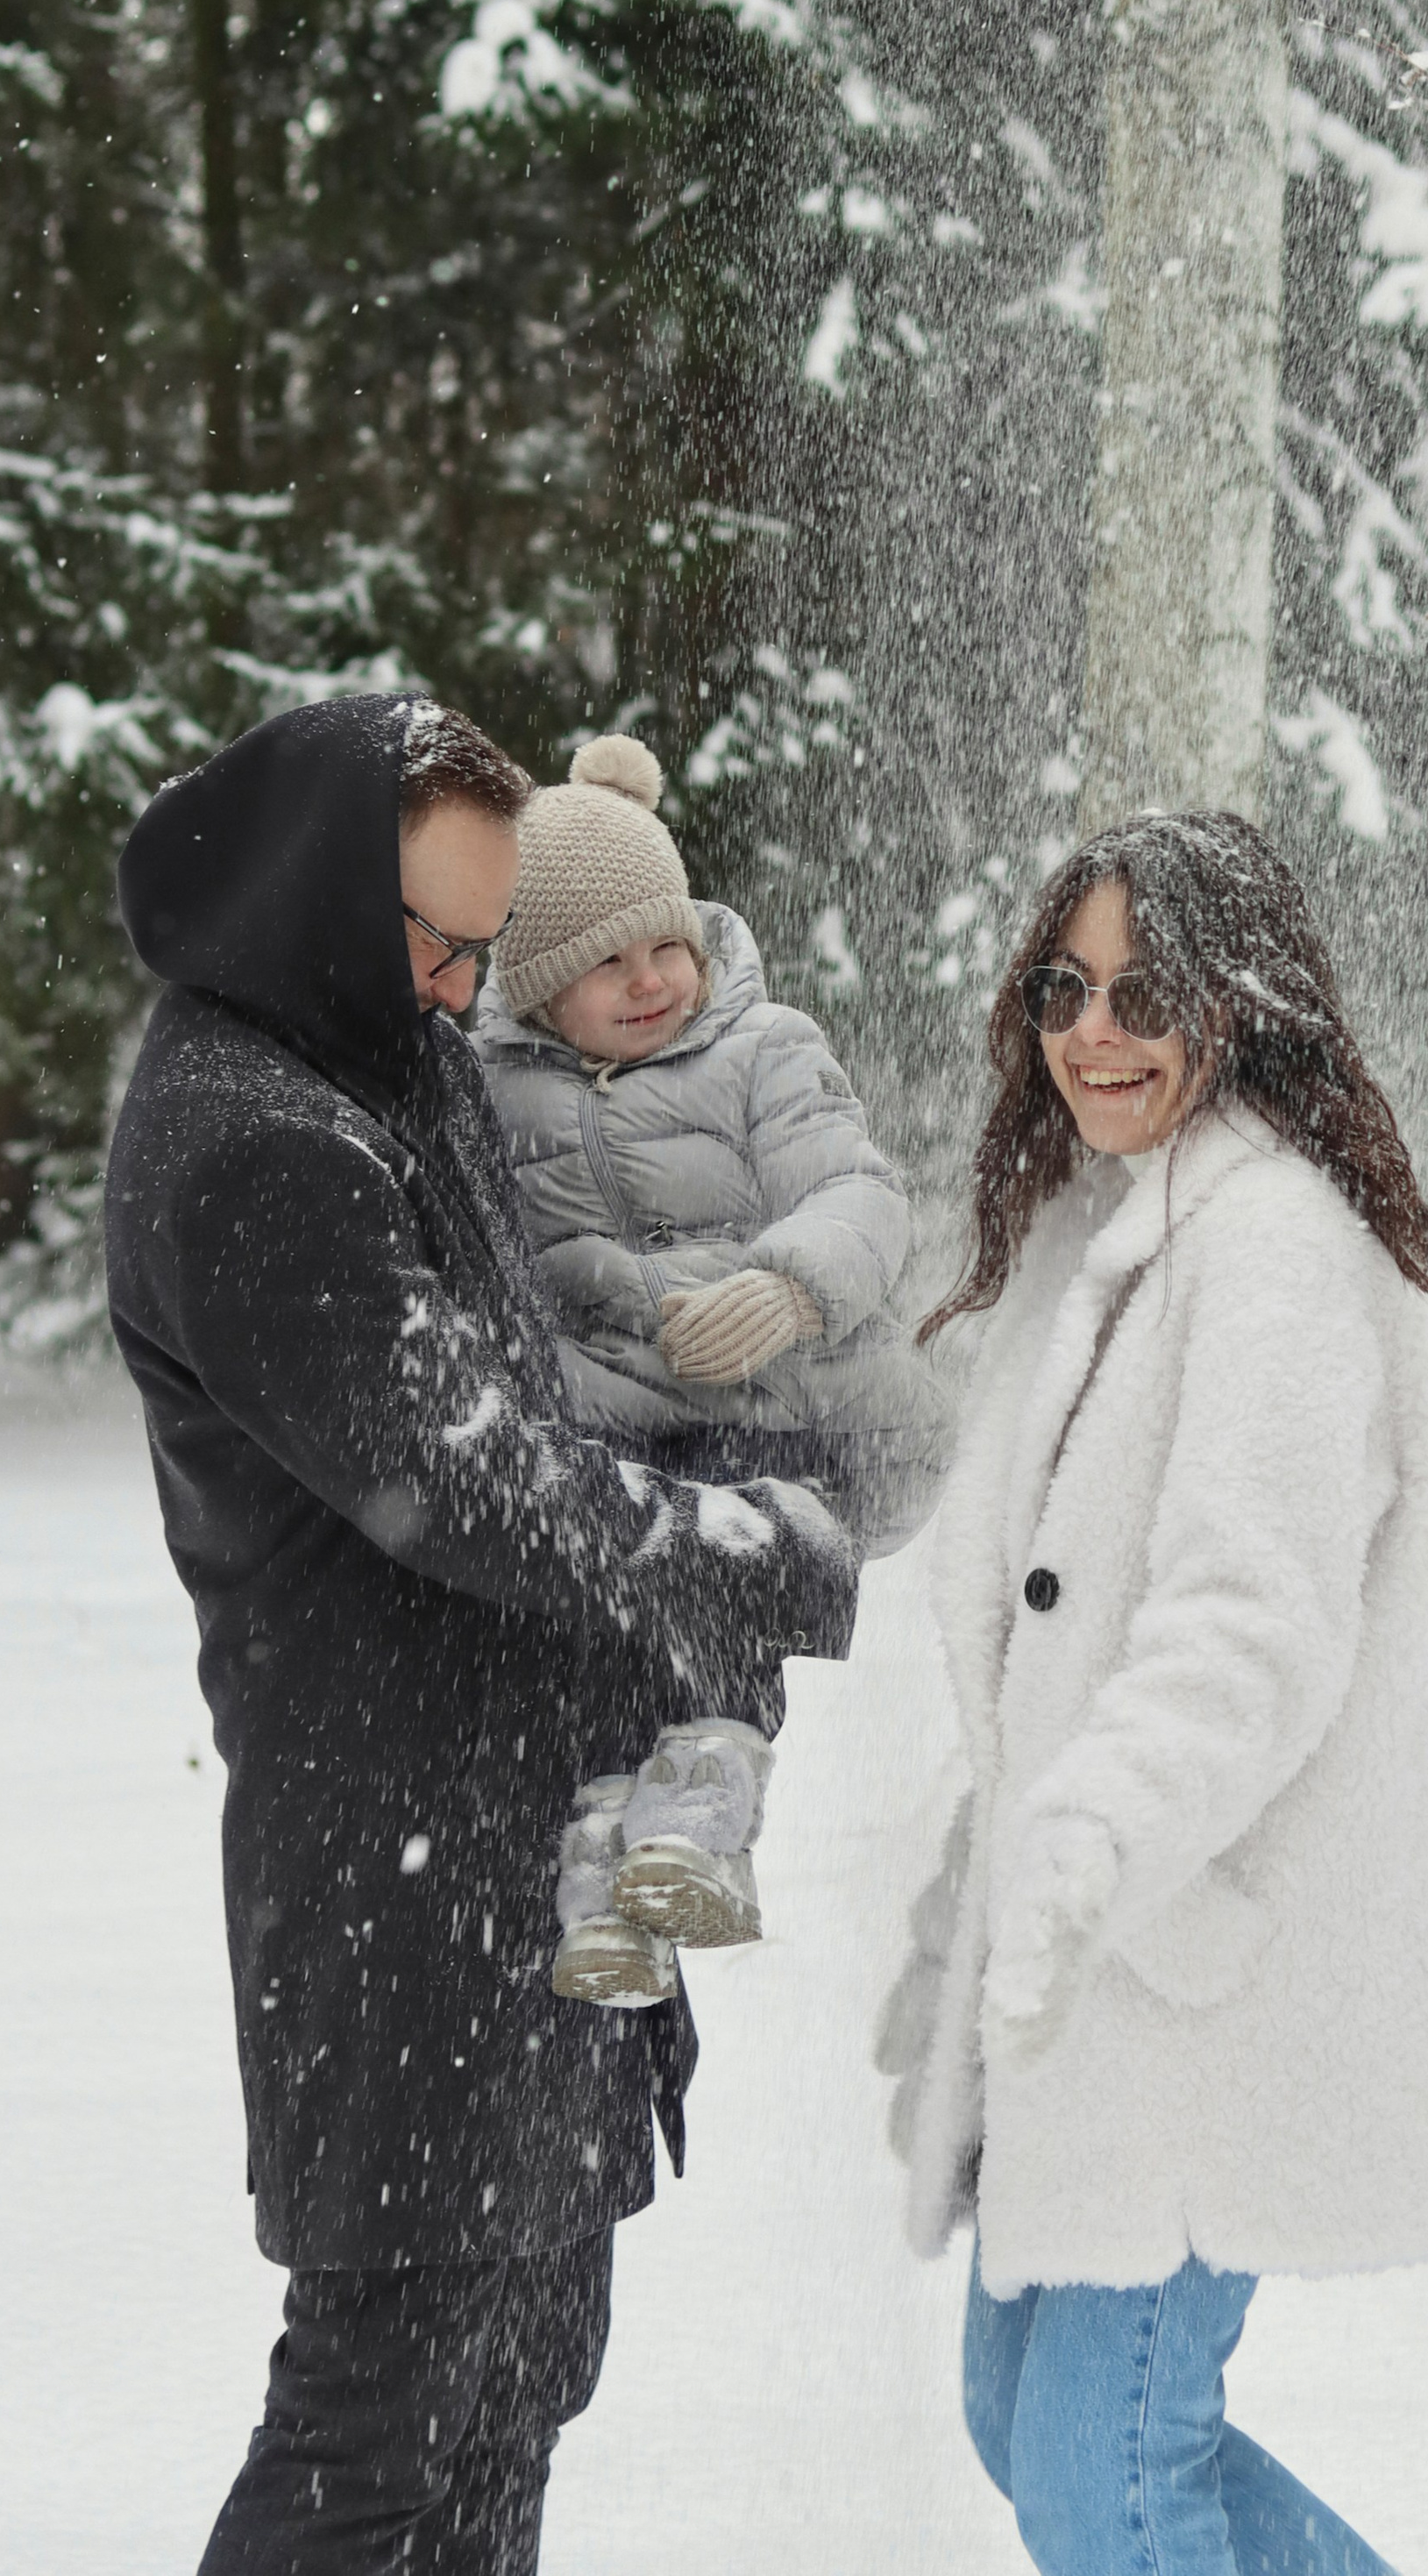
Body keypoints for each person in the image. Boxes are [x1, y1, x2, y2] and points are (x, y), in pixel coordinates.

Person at [104, 692, 857, 2576]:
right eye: (437, 941)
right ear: (324, 908)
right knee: (382, 2425)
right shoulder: (252, 1147)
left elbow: (554, 1373)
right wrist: (742, 1547)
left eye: (482, 942)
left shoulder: (376, 1049)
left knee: (518, 2389)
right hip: (404, 1888)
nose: (466, 988)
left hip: (536, 1846)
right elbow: (471, 1481)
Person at [878, 810, 1428, 2576]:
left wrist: (1089, 1843)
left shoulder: (1269, 1250)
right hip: (1098, 1980)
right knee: (1035, 2422)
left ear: (1239, 1000)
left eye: (1142, 991)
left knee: (1105, 2474)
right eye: (1063, 985)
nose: (1091, 1030)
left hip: (1200, 1965)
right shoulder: (1109, 1233)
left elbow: (1247, 1627)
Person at [472, 729, 945, 2008]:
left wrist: (786, 1285)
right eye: (605, 963)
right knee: (590, 1597)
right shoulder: (488, 1091)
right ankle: (604, 1875)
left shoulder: (762, 1049)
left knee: (728, 1542)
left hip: (775, 1404)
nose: (649, 979)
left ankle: (707, 1799)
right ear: (531, 986)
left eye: (664, 944)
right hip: (616, 1423)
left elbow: (861, 1191)